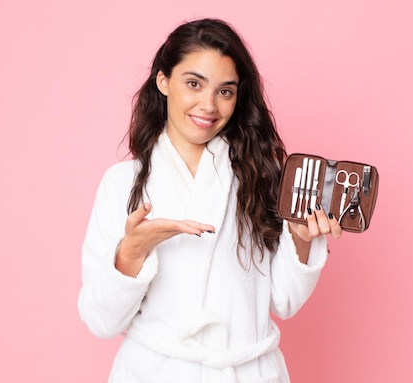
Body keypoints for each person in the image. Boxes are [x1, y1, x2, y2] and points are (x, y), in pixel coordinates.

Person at [78, 18, 342, 383]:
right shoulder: (121, 184)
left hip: (249, 371)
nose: (209, 105)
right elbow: (101, 322)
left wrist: (299, 235)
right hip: (156, 372)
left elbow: (285, 301)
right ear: (163, 81)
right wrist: (132, 253)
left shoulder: (261, 176)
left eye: (225, 91)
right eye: (193, 84)